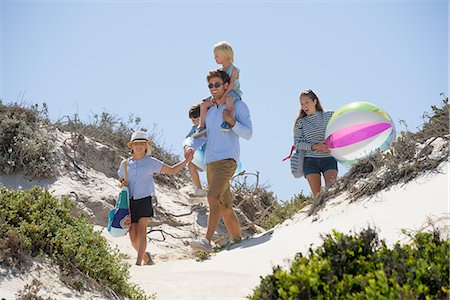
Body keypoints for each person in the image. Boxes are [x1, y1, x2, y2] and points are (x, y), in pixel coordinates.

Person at [183, 69, 252, 251]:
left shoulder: (238, 106)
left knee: (212, 197)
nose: (213, 88)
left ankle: (206, 241)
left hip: (227, 160)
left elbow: (248, 133)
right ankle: (239, 240)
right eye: (210, 85)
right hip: (210, 163)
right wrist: (189, 146)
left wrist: (231, 121)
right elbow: (202, 134)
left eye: (217, 85)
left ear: (227, 85)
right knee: (225, 206)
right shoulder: (211, 111)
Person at [118, 130, 193, 265]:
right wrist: (122, 184)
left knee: (142, 232)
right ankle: (147, 258)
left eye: (142, 143)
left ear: (147, 146)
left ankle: (138, 263)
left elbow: (172, 170)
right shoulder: (125, 164)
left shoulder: (151, 162)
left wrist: (187, 161)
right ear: (131, 146)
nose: (139, 146)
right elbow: (120, 181)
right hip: (129, 202)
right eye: (136, 143)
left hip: (145, 200)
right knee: (133, 236)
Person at [293, 89, 338, 197]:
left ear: (315, 101)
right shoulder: (301, 122)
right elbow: (297, 143)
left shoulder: (329, 115)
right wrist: (315, 146)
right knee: (318, 197)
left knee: (331, 193)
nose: (304, 106)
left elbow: (341, 128)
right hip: (310, 161)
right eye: (302, 104)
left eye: (307, 102)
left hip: (329, 159)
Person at [195, 41, 243, 137]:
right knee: (203, 104)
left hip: (232, 92)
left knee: (229, 100)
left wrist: (223, 96)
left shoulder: (234, 70)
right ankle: (201, 126)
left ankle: (228, 121)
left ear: (224, 55)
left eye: (217, 56)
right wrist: (215, 96)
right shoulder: (219, 71)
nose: (215, 58)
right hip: (221, 94)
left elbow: (231, 85)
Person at [186, 104, 208, 197]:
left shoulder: (210, 125)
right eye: (192, 120)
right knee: (191, 165)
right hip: (203, 156)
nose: (194, 122)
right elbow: (188, 138)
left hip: (214, 156)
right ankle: (199, 189)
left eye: (196, 120)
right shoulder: (195, 128)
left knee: (212, 174)